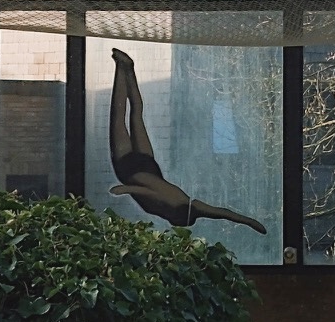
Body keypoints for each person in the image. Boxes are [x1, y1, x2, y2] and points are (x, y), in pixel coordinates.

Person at [107, 48, 265, 234]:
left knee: (134, 114)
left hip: (141, 165)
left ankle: (127, 67)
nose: (197, 201)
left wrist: (249, 222)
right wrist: (125, 189)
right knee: (123, 116)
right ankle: (123, 66)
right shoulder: (178, 207)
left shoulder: (178, 205)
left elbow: (223, 213)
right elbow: (223, 213)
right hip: (134, 168)